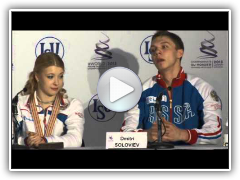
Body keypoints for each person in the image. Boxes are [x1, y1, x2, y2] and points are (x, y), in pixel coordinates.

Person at [121, 31, 222, 145]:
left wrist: (182, 134)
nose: (157, 52)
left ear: (179, 53)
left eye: (164, 47)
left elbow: (215, 133)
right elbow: (124, 135)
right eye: (153, 50)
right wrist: (146, 135)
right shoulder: (141, 91)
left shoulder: (202, 88)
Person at [12, 52, 85, 148]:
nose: (57, 82)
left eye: (60, 76)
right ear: (37, 77)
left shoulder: (72, 105)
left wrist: (44, 141)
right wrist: (27, 141)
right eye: (50, 76)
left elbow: (75, 139)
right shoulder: (19, 104)